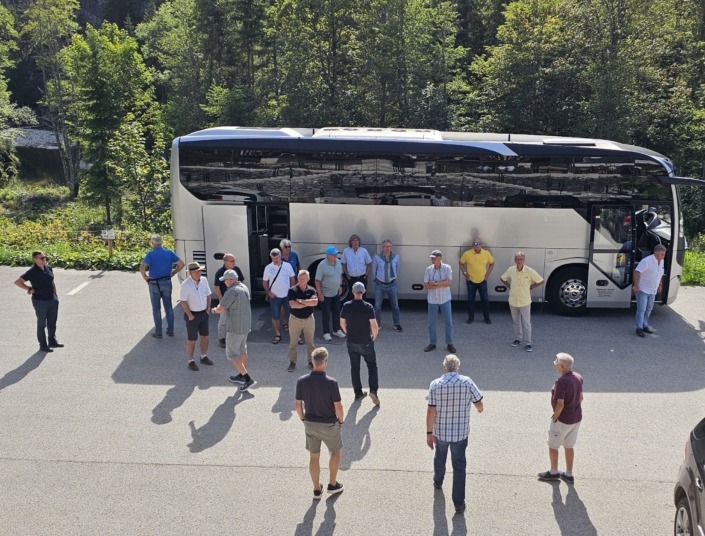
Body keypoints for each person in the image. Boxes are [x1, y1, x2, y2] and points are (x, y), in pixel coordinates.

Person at [426, 354, 484, 515]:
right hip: (460, 433)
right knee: (459, 467)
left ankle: (438, 481)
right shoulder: (467, 382)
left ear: (444, 368)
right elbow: (479, 404)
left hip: (441, 432)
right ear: (458, 367)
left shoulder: (435, 385)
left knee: (439, 457)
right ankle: (458, 504)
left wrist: (429, 433)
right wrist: (479, 409)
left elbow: (431, 411)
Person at [295, 347, 345, 499]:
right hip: (329, 424)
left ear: (312, 361)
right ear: (326, 362)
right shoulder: (332, 383)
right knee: (335, 452)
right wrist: (341, 421)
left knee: (314, 456)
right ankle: (332, 484)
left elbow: (298, 405)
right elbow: (338, 406)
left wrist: (303, 419)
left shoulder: (302, 381)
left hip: (310, 424)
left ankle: (316, 489)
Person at [538, 353, 583, 484]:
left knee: (553, 445)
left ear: (562, 366)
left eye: (556, 362)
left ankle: (553, 472)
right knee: (569, 446)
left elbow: (560, 404)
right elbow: (581, 397)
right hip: (576, 418)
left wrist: (555, 417)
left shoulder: (562, 382)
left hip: (563, 420)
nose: (554, 363)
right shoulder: (578, 377)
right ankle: (568, 474)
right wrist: (574, 409)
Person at [211, 270, 256, 391]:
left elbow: (221, 308)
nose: (224, 282)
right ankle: (241, 375)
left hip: (235, 327)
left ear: (231, 280)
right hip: (245, 326)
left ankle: (247, 379)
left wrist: (213, 310)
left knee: (231, 354)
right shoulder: (244, 287)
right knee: (242, 350)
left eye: (225, 280)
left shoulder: (232, 291)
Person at [340, 282, 380, 405]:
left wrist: (347, 332)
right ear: (363, 292)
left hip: (351, 342)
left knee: (355, 367)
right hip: (366, 342)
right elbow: (374, 325)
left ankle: (358, 393)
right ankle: (373, 390)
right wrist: (374, 336)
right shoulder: (368, 307)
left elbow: (342, 322)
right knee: (372, 366)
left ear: (352, 292)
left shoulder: (346, 305)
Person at [14, 251, 63, 352]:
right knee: (42, 324)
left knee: (52, 321)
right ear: (35, 259)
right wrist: (29, 288)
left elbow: (51, 281)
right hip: (40, 301)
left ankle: (52, 340)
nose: (44, 259)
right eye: (41, 258)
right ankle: (43, 345)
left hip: (52, 299)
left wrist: (55, 295)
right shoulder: (32, 271)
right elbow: (18, 282)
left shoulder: (48, 267)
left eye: (44, 257)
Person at [139, 234, 185, 338]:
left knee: (156, 308)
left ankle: (158, 332)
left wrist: (145, 276)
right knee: (168, 307)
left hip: (154, 282)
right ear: (161, 242)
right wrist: (173, 273)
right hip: (166, 281)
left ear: (152, 243)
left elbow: (142, 266)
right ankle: (170, 330)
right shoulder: (169, 253)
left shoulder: (150, 254)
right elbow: (181, 264)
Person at [500, 252, 544, 353]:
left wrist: (532, 287)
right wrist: (509, 286)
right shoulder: (511, 270)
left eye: (521, 259)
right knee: (516, 322)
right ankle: (518, 338)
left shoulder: (529, 271)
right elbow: (502, 278)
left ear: (524, 260)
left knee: (526, 323)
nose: (519, 261)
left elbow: (541, 280)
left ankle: (528, 343)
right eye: (517, 259)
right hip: (513, 300)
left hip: (525, 301)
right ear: (515, 260)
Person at [179, 262, 213, 371]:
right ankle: (191, 361)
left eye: (199, 271)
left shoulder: (204, 280)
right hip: (192, 315)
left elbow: (208, 295)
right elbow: (183, 301)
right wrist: (190, 315)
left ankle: (203, 356)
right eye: (195, 272)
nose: (198, 273)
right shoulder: (185, 284)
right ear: (190, 273)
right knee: (192, 339)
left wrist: (208, 309)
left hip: (204, 313)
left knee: (205, 337)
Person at [423, 250, 455, 354]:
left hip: (445, 299)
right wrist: (442, 283)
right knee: (431, 323)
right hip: (432, 300)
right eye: (432, 258)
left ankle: (449, 343)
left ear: (440, 258)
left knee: (448, 322)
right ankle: (432, 343)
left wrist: (435, 283)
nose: (432, 260)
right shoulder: (428, 269)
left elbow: (449, 282)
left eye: (434, 258)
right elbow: (426, 285)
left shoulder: (447, 268)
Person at [262, 248, 296, 344]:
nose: (275, 260)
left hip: (287, 295)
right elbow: (265, 282)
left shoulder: (287, 266)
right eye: (273, 258)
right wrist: (269, 293)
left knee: (291, 315)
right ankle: (277, 334)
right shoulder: (268, 268)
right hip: (275, 296)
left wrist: (292, 291)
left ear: (280, 257)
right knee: (275, 315)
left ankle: (293, 334)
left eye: (276, 258)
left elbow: (292, 279)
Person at [287, 270, 319, 372]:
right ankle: (292, 362)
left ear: (308, 279)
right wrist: (307, 303)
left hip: (309, 320)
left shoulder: (312, 290)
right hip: (295, 320)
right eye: (300, 278)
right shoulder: (292, 290)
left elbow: (315, 303)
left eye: (304, 278)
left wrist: (300, 301)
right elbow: (293, 305)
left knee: (310, 343)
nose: (301, 280)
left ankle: (311, 362)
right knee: (293, 343)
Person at [459, 238, 495, 325]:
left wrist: (487, 275)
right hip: (471, 281)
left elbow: (492, 263)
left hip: (482, 281)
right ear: (473, 245)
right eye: (475, 244)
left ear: (481, 244)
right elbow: (461, 263)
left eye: (479, 243)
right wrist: (465, 273)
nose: (477, 245)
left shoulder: (486, 253)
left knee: (485, 300)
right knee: (470, 300)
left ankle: (487, 318)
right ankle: (470, 318)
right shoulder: (467, 254)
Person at [633, 244, 666, 337]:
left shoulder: (662, 261)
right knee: (641, 309)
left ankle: (645, 325)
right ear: (656, 252)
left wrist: (660, 285)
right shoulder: (646, 261)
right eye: (662, 254)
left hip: (653, 290)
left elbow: (660, 274)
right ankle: (639, 328)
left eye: (664, 254)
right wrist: (636, 286)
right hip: (643, 289)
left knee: (649, 309)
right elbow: (636, 272)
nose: (663, 256)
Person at [213, 253, 245, 348]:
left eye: (234, 260)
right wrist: (221, 300)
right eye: (231, 261)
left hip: (236, 300)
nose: (234, 262)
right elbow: (216, 287)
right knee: (223, 320)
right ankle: (222, 338)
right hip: (225, 299)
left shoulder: (237, 269)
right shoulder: (220, 272)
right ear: (225, 262)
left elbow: (242, 281)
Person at [315, 246, 346, 341]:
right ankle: (326, 333)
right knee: (326, 314)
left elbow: (340, 275)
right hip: (325, 294)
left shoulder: (338, 262)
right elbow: (317, 280)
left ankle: (336, 330)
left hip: (335, 293)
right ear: (328, 255)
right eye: (334, 254)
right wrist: (320, 294)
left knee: (337, 312)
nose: (336, 256)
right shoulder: (322, 265)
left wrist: (340, 286)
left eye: (336, 254)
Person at [372, 239, 402, 332]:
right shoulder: (377, 258)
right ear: (382, 247)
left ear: (391, 247)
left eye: (389, 246)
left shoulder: (396, 257)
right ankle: (378, 324)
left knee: (395, 305)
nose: (387, 248)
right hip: (380, 285)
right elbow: (374, 270)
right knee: (377, 306)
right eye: (385, 246)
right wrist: (377, 279)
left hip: (392, 284)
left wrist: (392, 278)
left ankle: (397, 324)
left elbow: (397, 269)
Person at [341, 234, 372, 299]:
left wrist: (366, 276)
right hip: (351, 279)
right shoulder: (346, 251)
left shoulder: (363, 251)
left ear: (359, 242)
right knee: (352, 297)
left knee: (362, 297)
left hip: (362, 278)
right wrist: (348, 277)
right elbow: (344, 264)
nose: (355, 242)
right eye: (353, 240)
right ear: (350, 242)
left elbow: (369, 263)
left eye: (357, 240)